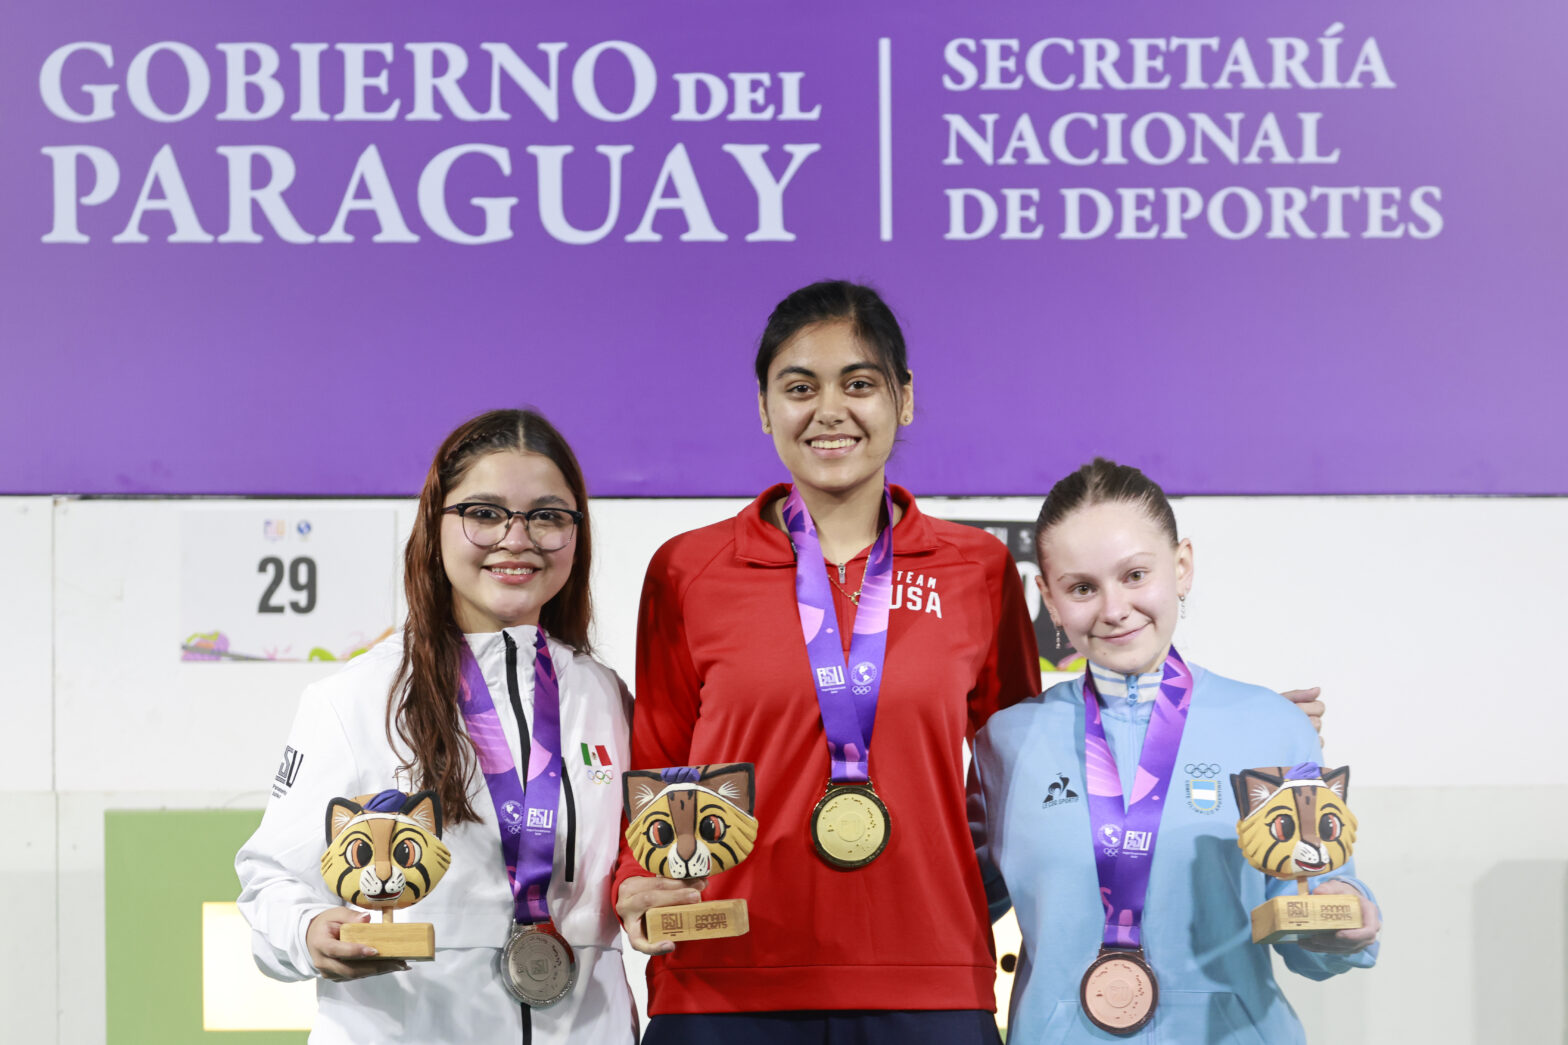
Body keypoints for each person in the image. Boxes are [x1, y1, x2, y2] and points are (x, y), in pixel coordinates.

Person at [613, 280, 1043, 1045]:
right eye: (799, 387)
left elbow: (1025, 768)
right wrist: (635, 882)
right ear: (764, 407)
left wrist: (1222, 732)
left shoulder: (976, 569)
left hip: (931, 979)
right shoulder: (689, 569)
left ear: (903, 399)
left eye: (860, 383)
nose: (830, 410)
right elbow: (656, 760)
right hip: (721, 974)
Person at [236, 409, 637, 1045]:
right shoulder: (357, 697)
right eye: (484, 513)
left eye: (547, 515)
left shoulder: (603, 695)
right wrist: (309, 931)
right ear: (436, 524)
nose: (517, 538)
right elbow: (270, 883)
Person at [970, 458, 1380, 1043]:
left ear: (1182, 567)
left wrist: (1340, 920)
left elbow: (1313, 932)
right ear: (1049, 599)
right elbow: (956, 913)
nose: (1113, 609)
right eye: (1082, 588)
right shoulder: (1005, 743)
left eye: (1135, 576)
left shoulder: (1271, 725)